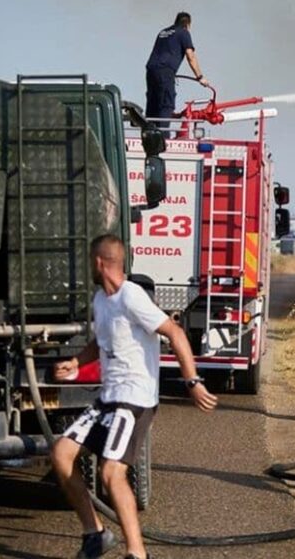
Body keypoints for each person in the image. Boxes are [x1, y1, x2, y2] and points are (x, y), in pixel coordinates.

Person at [51, 234, 218, 559]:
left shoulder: (132, 297)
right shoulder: (101, 299)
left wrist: (192, 381)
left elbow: (175, 332)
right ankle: (95, 534)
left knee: (112, 473)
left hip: (135, 400)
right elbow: (100, 343)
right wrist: (75, 362)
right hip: (108, 398)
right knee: (60, 454)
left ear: (99, 263)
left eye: (90, 262)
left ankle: (138, 553)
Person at [144, 11, 209, 133]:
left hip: (151, 70)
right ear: (188, 24)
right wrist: (200, 77)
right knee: (166, 104)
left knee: (153, 103)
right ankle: (162, 139)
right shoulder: (184, 32)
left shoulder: (163, 32)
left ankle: (149, 136)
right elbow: (191, 56)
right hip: (165, 71)